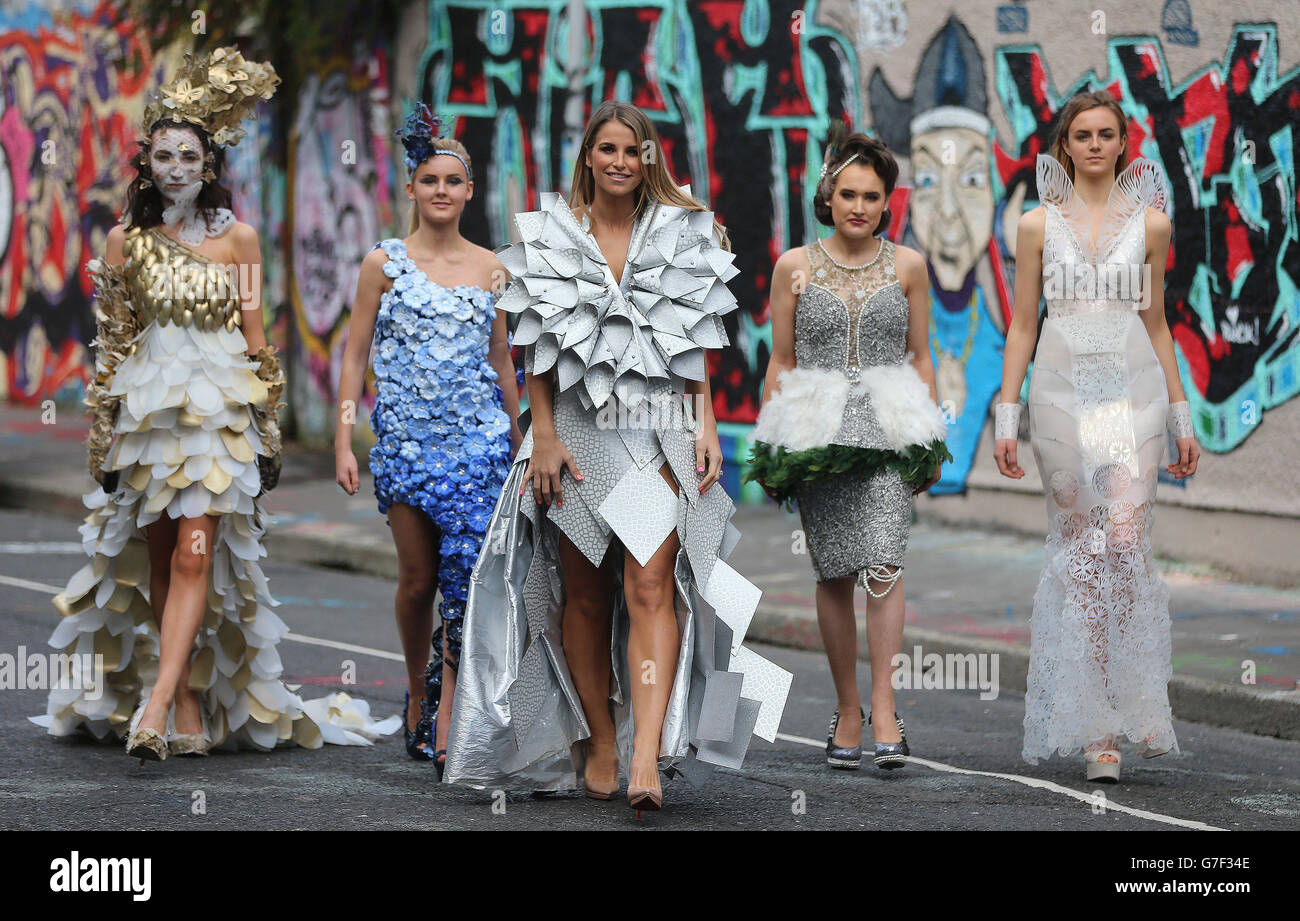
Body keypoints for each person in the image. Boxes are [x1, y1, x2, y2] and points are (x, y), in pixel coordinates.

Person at [30, 46, 398, 760]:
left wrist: (267, 431)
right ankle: (188, 690)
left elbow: (256, 337)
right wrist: (101, 438)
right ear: (149, 163)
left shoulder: (241, 241)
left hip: (216, 416)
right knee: (164, 556)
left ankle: (157, 702)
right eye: (163, 154)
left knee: (198, 552)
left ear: (207, 166)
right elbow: (113, 347)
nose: (175, 167)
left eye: (188, 156)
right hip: (147, 417)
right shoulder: (122, 243)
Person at [443, 100, 791, 811]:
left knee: (652, 584)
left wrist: (706, 422)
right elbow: (533, 347)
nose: (620, 162)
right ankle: (598, 738)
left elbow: (695, 337)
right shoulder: (552, 236)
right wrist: (541, 432)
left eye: (632, 150)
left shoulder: (682, 232)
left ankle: (644, 754)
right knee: (587, 593)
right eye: (607, 149)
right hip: (575, 430)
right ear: (589, 156)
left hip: (656, 429)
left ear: (649, 158)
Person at [994, 90, 1201, 782]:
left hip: (1127, 392)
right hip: (1059, 393)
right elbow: (1023, 323)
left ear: (1122, 144)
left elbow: (1158, 322)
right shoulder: (1034, 225)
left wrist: (1180, 416)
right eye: (1080, 133)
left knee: (1123, 537)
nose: (1092, 144)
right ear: (1064, 144)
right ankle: (1098, 726)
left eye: (1105, 133)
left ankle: (1142, 700)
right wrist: (1006, 414)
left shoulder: (1150, 225)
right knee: (1083, 551)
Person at [747, 127, 948, 771]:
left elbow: (921, 356)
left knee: (885, 564)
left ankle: (886, 708)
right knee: (833, 573)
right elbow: (780, 359)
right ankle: (847, 709)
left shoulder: (910, 266)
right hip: (817, 437)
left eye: (872, 196)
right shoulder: (793, 268)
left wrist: (929, 441)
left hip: (890, 431)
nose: (859, 206)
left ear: (887, 202)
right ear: (827, 198)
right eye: (847, 194)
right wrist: (769, 444)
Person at [335, 105, 520, 777]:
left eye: (453, 181)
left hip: (480, 451)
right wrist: (343, 441)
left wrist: (523, 439)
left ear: (469, 191)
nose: (441, 191)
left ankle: (448, 714)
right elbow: (354, 357)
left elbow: (502, 362)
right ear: (411, 189)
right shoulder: (382, 263)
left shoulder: (492, 269)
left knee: (466, 584)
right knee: (417, 582)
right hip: (407, 451)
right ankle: (417, 688)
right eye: (429, 180)